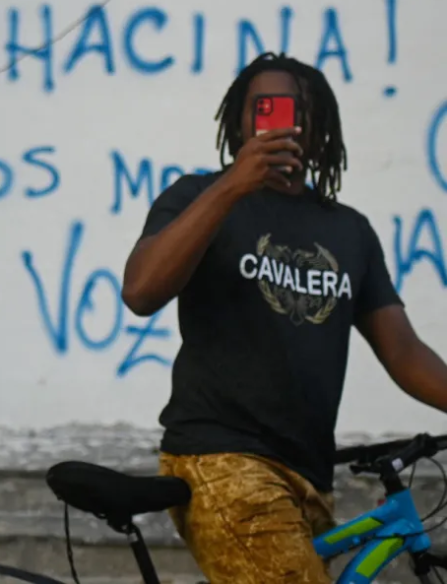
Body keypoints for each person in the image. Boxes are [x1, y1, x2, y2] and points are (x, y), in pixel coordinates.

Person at [121, 52, 447, 583]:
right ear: (240, 123)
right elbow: (140, 290)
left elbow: (405, 352)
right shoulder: (197, 195)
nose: (280, 121)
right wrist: (231, 186)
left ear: (320, 127)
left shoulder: (351, 231)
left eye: (300, 111)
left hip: (311, 474)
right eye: (264, 108)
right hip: (222, 461)